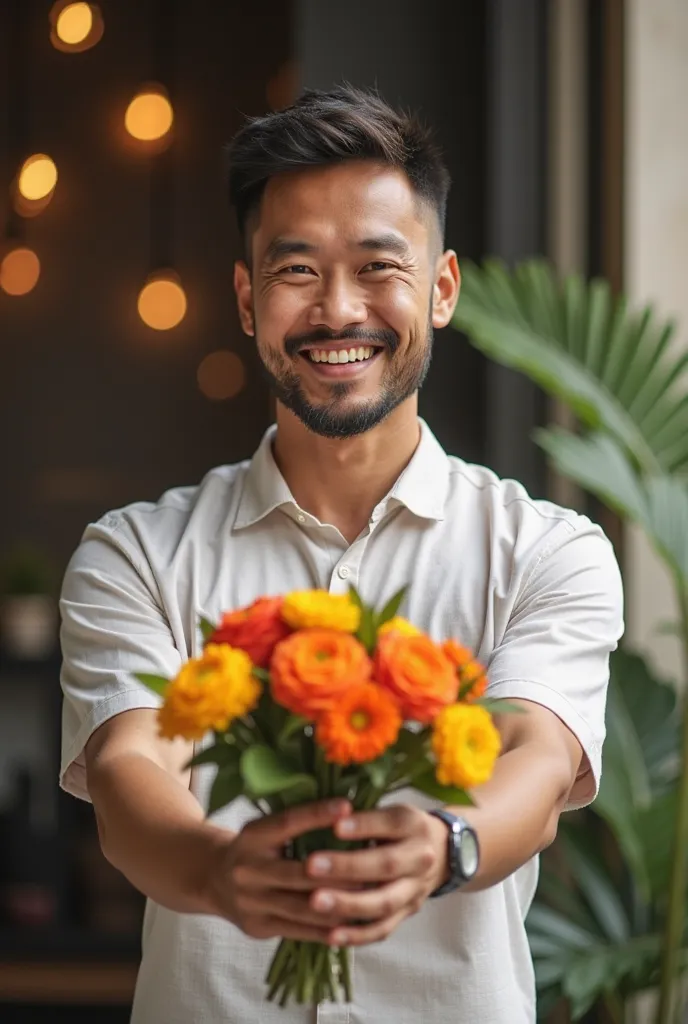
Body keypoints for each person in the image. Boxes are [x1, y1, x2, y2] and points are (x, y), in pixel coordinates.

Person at [60, 85, 624, 1024]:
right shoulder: (136, 554)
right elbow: (131, 774)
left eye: (376, 266)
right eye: (295, 272)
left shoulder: (548, 550)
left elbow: (535, 754)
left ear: (441, 289)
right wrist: (218, 873)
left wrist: (448, 843)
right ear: (247, 299)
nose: (338, 309)